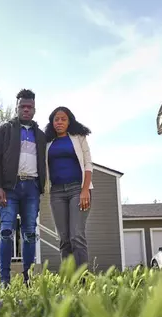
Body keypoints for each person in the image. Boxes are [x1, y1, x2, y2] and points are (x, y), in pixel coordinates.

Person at [0, 89, 47, 287]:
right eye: (23, 106)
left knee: (29, 233)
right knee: (6, 232)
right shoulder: (4, 130)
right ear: (17, 107)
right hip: (9, 188)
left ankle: (27, 279)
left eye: (30, 107)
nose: (26, 110)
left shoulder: (40, 135)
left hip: (31, 188)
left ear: (35, 109)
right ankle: (4, 280)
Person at [44, 106, 93, 269]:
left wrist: (85, 190)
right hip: (56, 193)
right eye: (56, 119)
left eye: (63, 119)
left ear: (69, 121)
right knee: (64, 239)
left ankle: (84, 280)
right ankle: (69, 281)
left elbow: (88, 164)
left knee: (76, 236)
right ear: (52, 122)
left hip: (77, 190)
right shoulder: (47, 142)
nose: (59, 122)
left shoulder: (79, 137)